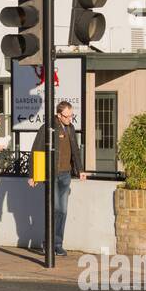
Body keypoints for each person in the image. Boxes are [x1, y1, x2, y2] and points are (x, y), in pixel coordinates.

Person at [28, 101, 87, 257]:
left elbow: (75, 150)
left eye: (71, 116)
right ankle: (47, 243)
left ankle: (58, 244)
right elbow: (36, 150)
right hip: (51, 174)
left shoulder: (71, 128)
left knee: (63, 211)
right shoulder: (48, 128)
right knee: (53, 210)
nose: (70, 119)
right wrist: (33, 175)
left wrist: (80, 170)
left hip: (66, 174)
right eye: (67, 116)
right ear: (59, 115)